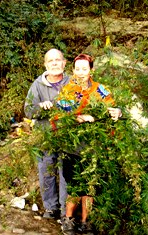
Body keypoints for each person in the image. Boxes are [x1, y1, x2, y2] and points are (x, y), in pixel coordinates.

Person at [55, 54, 122, 235]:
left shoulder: (101, 90)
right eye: (77, 69)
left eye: (85, 69)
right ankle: (68, 220)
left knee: (90, 187)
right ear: (73, 70)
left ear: (92, 70)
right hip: (72, 147)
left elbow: (113, 110)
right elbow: (59, 115)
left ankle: (86, 221)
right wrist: (78, 117)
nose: (81, 72)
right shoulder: (68, 90)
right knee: (75, 185)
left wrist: (118, 113)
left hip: (93, 147)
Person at [24, 48, 69, 220]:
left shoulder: (71, 83)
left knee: (66, 174)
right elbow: (28, 110)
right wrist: (40, 108)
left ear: (64, 63)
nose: (55, 63)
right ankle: (51, 208)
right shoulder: (37, 85)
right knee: (46, 172)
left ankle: (66, 212)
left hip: (68, 137)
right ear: (45, 64)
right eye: (51, 61)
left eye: (58, 60)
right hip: (45, 137)